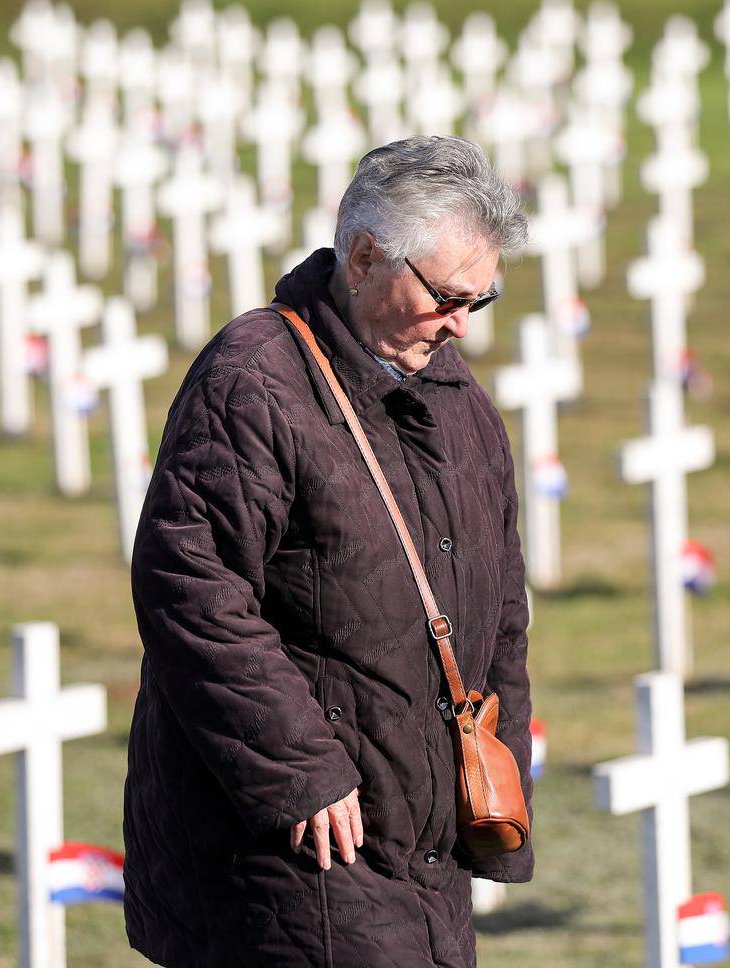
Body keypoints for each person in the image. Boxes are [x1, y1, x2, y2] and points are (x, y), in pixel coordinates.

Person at [123, 135, 536, 967]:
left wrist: (499, 795)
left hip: (424, 843)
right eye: (448, 297)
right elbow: (191, 588)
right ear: (362, 256)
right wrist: (301, 771)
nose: (461, 325)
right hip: (297, 846)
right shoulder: (254, 381)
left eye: (478, 303)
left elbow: (503, 612)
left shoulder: (459, 402)